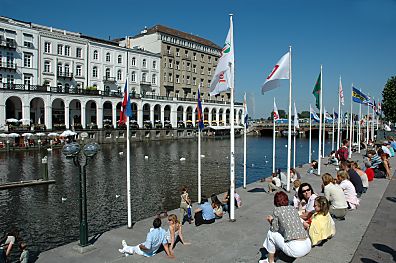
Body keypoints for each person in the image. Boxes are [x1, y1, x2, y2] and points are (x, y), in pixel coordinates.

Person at [260, 191, 311, 263]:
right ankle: (277, 252)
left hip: (297, 249)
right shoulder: (293, 208)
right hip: (307, 245)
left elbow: (274, 229)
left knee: (271, 233)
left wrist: (271, 220)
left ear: (275, 202)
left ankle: (270, 260)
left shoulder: (277, 210)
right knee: (283, 231)